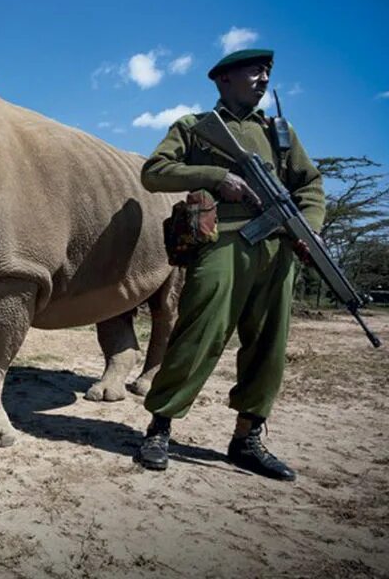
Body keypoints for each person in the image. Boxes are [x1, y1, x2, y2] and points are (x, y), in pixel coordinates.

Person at [135, 49, 325, 481]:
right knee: (199, 332)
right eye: (254, 71)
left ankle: (247, 439)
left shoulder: (280, 133)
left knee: (268, 345)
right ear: (223, 79)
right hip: (222, 241)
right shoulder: (195, 128)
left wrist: (310, 226)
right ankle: (160, 427)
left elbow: (310, 184)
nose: (263, 78)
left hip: (277, 248)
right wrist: (216, 178)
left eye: (267, 73)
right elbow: (155, 172)